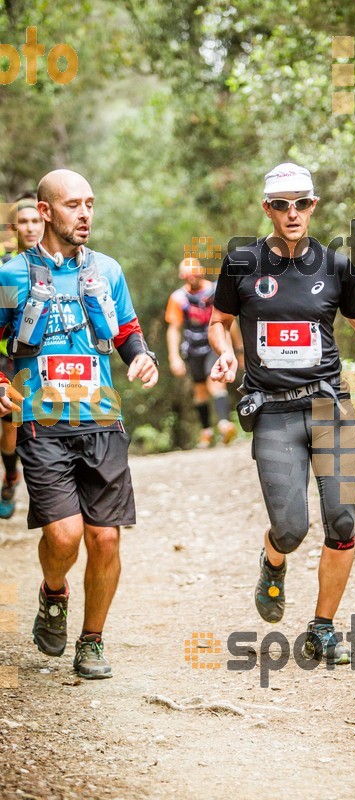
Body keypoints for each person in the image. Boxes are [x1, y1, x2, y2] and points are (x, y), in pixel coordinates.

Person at [208, 163, 355, 665]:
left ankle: (323, 627)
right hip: (273, 413)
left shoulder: (336, 265)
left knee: (342, 520)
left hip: (329, 403)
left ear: (313, 207)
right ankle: (273, 560)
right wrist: (224, 351)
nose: (292, 212)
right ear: (267, 208)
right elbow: (219, 322)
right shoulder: (242, 261)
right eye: (281, 204)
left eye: (301, 203)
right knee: (290, 528)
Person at [0, 169, 158, 679]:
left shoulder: (107, 270)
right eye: (73, 204)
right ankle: (53, 592)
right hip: (41, 419)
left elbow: (128, 328)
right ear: (44, 212)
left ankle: (91, 641)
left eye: (90, 203)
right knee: (65, 537)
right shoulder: (11, 275)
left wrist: (141, 357)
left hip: (102, 416)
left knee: (106, 539)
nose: (85, 213)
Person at [0, 194, 44, 518]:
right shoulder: (9, 269)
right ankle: (13, 475)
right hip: (9, 359)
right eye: (23, 221)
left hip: (45, 363)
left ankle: (18, 476)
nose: (30, 227)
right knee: (9, 422)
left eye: (36, 220)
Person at [166, 257, 241, 447]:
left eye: (194, 273)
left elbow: (228, 321)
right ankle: (206, 432)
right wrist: (174, 357)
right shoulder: (178, 298)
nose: (191, 277)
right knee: (199, 391)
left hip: (214, 344)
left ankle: (224, 425)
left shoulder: (216, 290)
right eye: (187, 274)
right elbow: (174, 328)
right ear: (182, 276)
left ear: (202, 271)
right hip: (192, 348)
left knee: (215, 382)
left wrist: (238, 347)